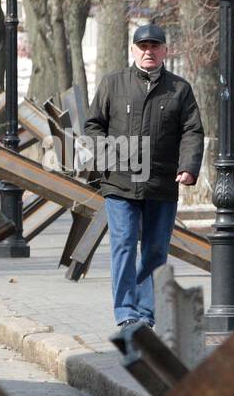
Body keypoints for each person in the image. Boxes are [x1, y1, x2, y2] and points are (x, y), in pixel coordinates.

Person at [84, 23, 204, 328]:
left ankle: (147, 313)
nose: (148, 51)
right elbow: (92, 126)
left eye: (154, 46)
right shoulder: (113, 84)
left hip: (162, 182)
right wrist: (108, 156)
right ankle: (125, 311)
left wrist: (188, 166)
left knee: (154, 249)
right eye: (143, 46)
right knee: (123, 243)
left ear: (165, 50)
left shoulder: (179, 89)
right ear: (133, 50)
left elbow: (192, 130)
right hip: (119, 181)